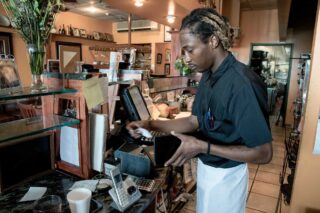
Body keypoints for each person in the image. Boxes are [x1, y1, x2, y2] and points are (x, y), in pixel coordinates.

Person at [127, 8, 272, 213]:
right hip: (206, 170)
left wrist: (203, 147)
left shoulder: (242, 84)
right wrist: (150, 123)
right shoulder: (208, 76)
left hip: (227, 177)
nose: (185, 58)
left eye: (189, 50)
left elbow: (263, 153)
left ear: (212, 41)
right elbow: (193, 121)